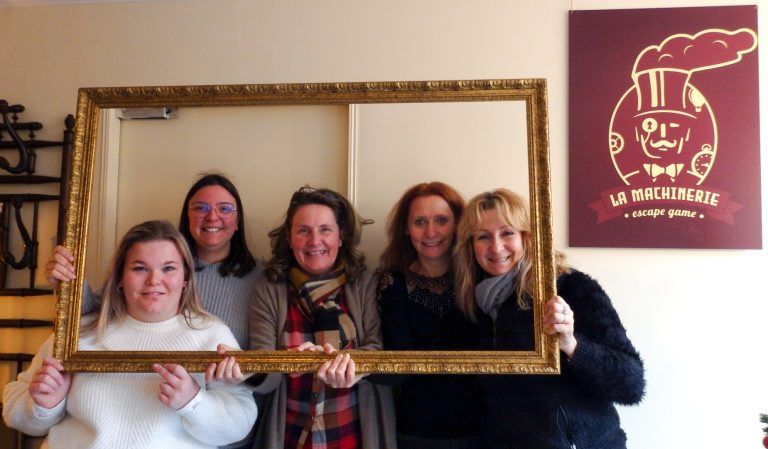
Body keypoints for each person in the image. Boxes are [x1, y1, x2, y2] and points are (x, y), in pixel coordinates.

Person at [43, 173, 264, 448]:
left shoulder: (260, 280)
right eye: (201, 208)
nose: (213, 216)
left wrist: (242, 373)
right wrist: (67, 284)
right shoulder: (159, 257)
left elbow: (258, 373)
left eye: (225, 208)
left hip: (214, 417)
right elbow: (102, 313)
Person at [2, 220, 257, 449]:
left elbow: (239, 425)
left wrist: (194, 402)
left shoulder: (212, 335)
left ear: (185, 279)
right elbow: (16, 413)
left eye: (168, 268)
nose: (154, 280)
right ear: (121, 277)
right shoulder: (78, 333)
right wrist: (44, 406)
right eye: (140, 268)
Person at [453, 188, 645, 449]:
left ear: (527, 238)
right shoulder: (474, 304)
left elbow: (631, 383)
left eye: (507, 233)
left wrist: (570, 344)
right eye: (483, 236)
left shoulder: (568, 287)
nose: (496, 246)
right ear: (471, 245)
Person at [246, 186, 395, 449]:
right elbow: (262, 370)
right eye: (303, 230)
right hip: (289, 437)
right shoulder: (269, 289)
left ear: (340, 237)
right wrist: (284, 364)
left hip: (352, 435)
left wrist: (353, 367)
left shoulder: (364, 284)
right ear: (290, 239)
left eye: (325, 229)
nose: (314, 240)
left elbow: (377, 347)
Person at [375, 181, 487, 449]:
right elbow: (395, 367)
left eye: (441, 220)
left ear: (459, 225)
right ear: (406, 228)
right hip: (415, 431)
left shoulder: (482, 278)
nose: (431, 231)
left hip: (484, 430)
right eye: (420, 221)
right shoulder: (392, 284)